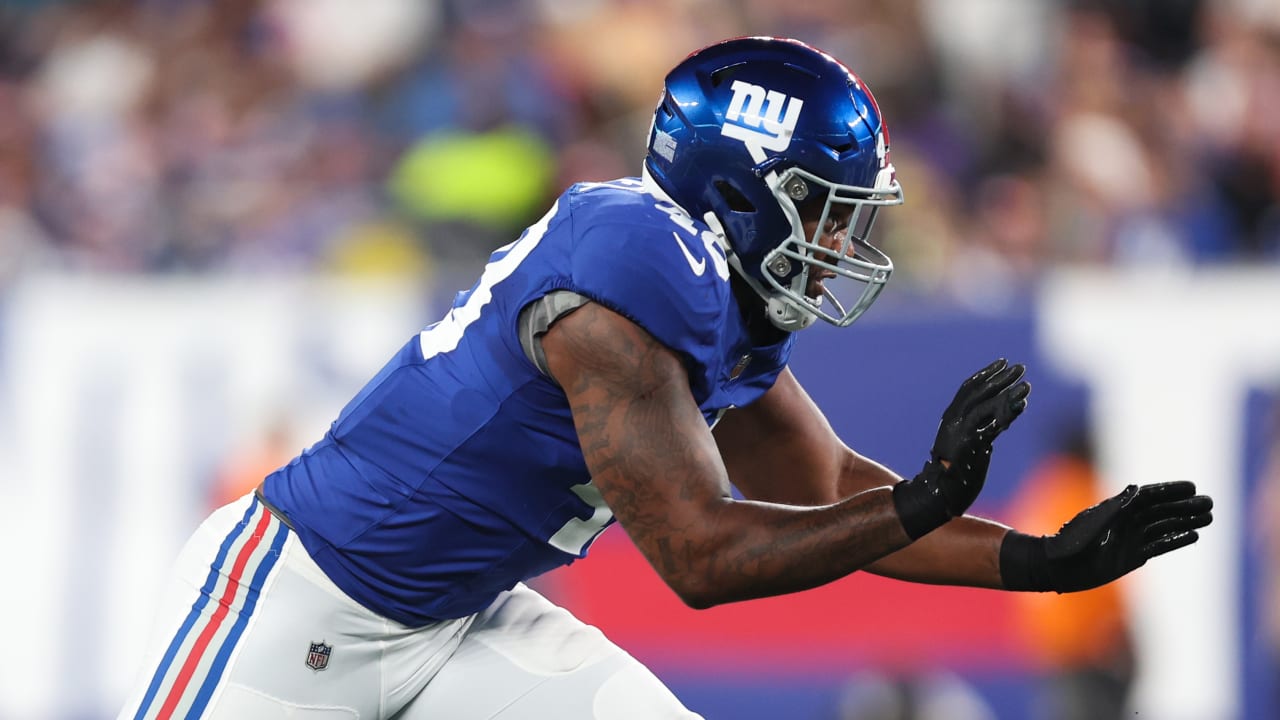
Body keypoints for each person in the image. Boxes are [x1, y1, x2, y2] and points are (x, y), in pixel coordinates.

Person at [118, 37, 1213, 720]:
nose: (840, 244)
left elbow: (829, 480)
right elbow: (700, 556)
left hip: (462, 616)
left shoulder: (718, 297)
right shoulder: (628, 272)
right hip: (302, 604)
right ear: (739, 195)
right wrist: (922, 497)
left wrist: (1034, 562)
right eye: (825, 211)